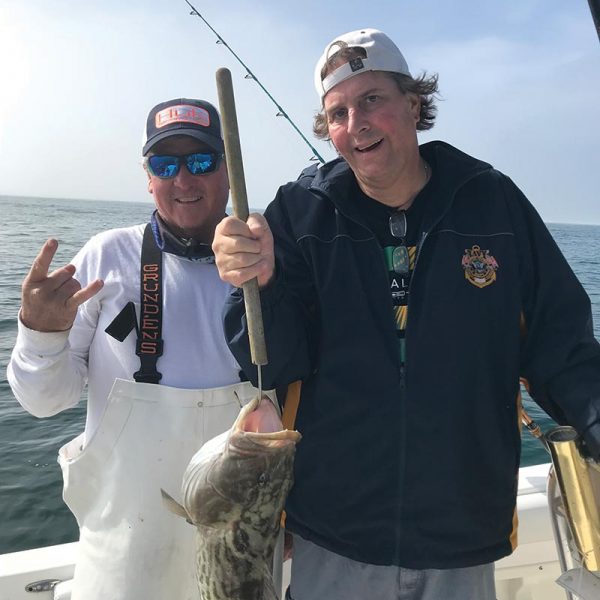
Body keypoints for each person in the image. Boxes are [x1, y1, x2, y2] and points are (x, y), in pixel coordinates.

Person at [211, 28, 600, 600]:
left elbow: (561, 347)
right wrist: (260, 284)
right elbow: (271, 363)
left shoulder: (493, 202)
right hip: (335, 527)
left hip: (461, 527)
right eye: (338, 113)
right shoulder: (299, 213)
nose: (356, 123)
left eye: (373, 100)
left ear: (413, 105)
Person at [7, 98, 264, 600]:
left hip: (242, 541)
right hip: (122, 556)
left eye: (202, 162)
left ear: (229, 173)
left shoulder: (267, 265)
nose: (183, 180)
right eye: (165, 165)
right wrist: (40, 334)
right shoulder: (106, 256)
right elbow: (43, 402)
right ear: (148, 178)